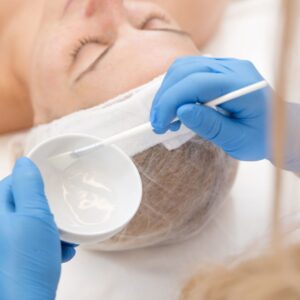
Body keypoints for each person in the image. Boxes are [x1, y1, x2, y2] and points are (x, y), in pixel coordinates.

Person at [0, 0, 228, 134]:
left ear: (47, 122)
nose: (111, 3)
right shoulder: (189, 8)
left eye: (86, 48)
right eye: (149, 22)